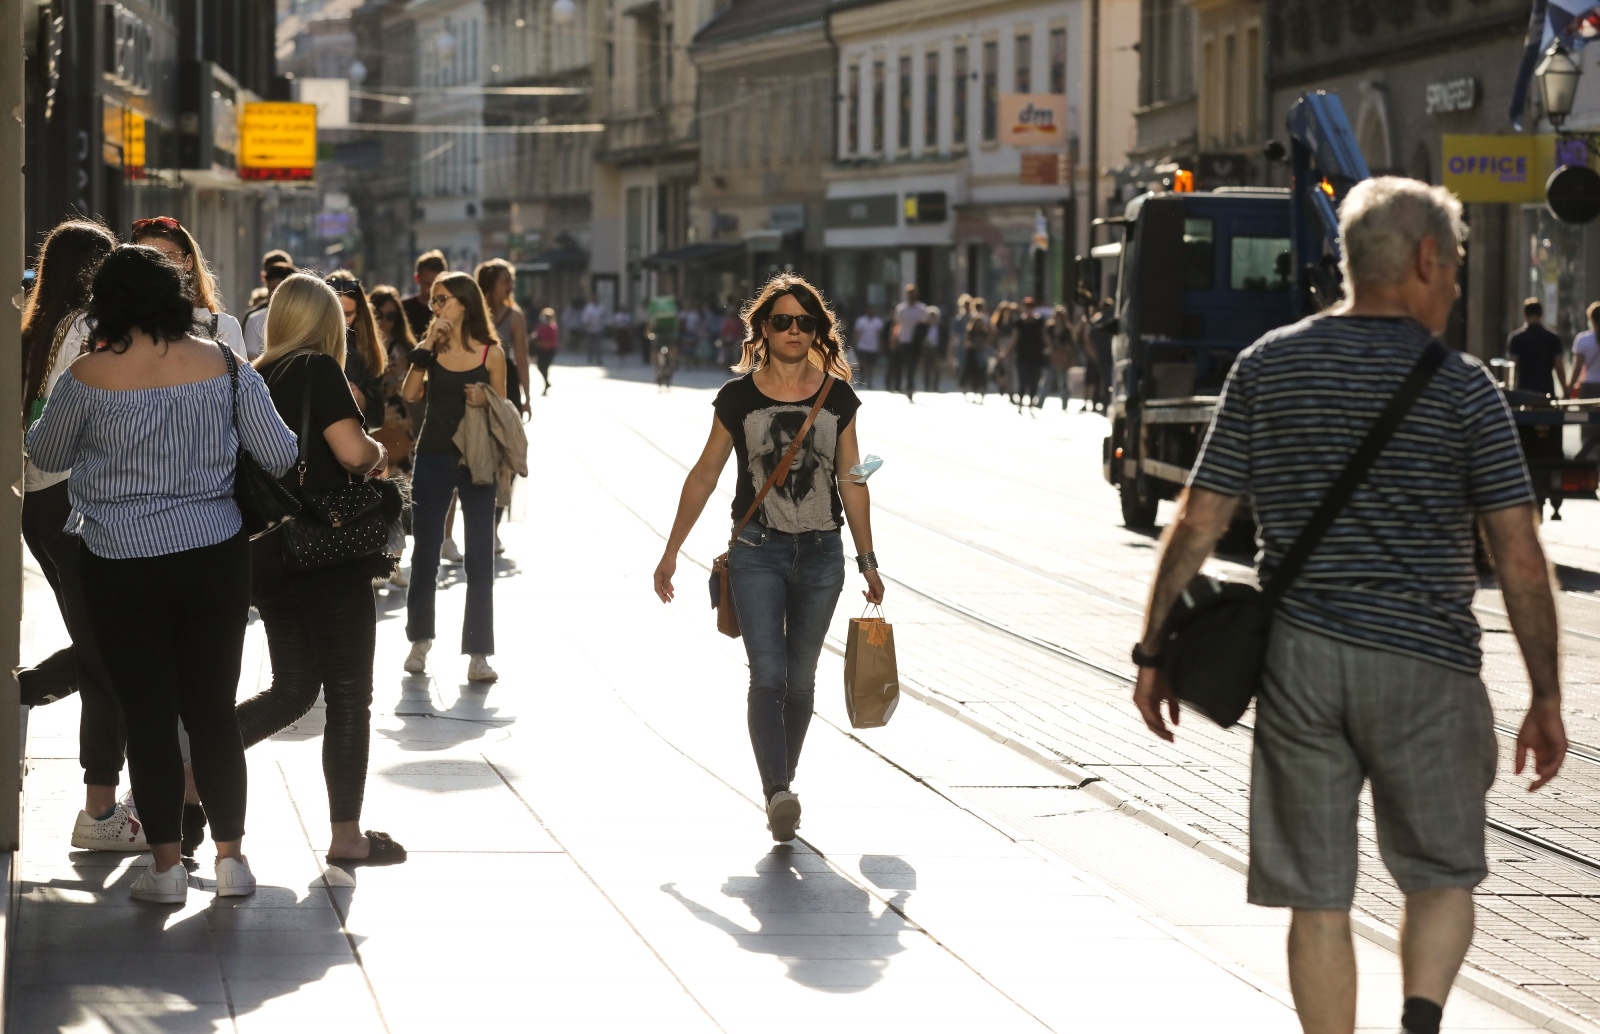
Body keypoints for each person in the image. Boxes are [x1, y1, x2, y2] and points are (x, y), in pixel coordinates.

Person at [1130, 178, 1568, 1034]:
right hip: (1428, 667)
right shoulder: (1465, 389)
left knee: (1317, 897)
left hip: (1301, 665)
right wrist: (1545, 696)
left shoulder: (1268, 364)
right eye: (1455, 267)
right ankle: (1419, 1021)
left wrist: (1153, 649)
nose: (1454, 283)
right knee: (1442, 874)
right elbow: (1518, 553)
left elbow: (1196, 520)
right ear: (1426, 260)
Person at [26, 244, 299, 904]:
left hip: (121, 561)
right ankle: (232, 862)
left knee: (148, 714)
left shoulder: (87, 375)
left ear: (107, 303)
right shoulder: (227, 365)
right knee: (211, 710)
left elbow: (46, 452)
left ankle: (168, 870)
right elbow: (281, 451)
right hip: (215, 556)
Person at [653, 273, 884, 843]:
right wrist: (671, 551)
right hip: (756, 549)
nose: (794, 331)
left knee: (802, 681)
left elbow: (852, 480)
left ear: (817, 330)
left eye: (805, 322)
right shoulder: (737, 397)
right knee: (770, 674)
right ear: (762, 328)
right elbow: (705, 474)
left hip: (824, 553)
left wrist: (868, 558)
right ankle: (777, 792)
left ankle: (783, 784)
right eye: (782, 321)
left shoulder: (837, 396)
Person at [233, 274, 406, 867]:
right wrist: (380, 453)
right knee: (350, 695)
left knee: (293, 690)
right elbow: (353, 452)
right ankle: (347, 836)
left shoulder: (256, 374)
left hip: (275, 556)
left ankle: (190, 776)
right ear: (327, 322)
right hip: (328, 554)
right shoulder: (318, 370)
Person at [18, 220, 135, 851]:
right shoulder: (92, 331)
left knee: (102, 647)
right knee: (108, 653)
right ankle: (98, 811)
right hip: (75, 500)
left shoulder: (40, 328)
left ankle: (27, 693)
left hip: (41, 499)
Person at [399, 272, 507, 683]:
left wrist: (487, 398)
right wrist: (427, 344)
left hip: (477, 460)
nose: (437, 306)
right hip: (432, 456)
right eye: (433, 301)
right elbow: (410, 395)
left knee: (479, 557)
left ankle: (479, 654)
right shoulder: (432, 348)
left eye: (442, 299)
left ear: (464, 302)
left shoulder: (491, 354)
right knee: (425, 552)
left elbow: (505, 412)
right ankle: (419, 642)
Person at [129, 216, 247, 359]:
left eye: (167, 258)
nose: (157, 267)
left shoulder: (223, 327)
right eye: (147, 259)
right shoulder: (113, 328)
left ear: (188, 262)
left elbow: (240, 380)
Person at [367, 283, 420, 479]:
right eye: (379, 315)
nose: (384, 321)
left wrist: (405, 372)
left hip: (399, 420)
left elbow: (418, 392)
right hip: (373, 419)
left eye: (391, 316)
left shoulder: (406, 347)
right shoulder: (364, 345)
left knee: (403, 480)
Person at [326, 272, 388, 430]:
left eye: (347, 314)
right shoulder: (306, 344)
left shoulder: (368, 350)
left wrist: (360, 399)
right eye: (336, 313)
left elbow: (377, 418)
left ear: (359, 313)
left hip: (354, 437)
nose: (341, 321)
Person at [477, 259, 531, 416]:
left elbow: (522, 359)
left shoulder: (514, 316)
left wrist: (527, 398)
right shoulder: (474, 314)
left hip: (506, 379)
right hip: (477, 377)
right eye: (506, 281)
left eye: (512, 282)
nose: (511, 286)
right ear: (492, 283)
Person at [1506, 298, 1567, 398]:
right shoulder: (1553, 338)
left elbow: (1513, 366)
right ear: (1541, 315)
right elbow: (1559, 367)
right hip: (1546, 390)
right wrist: (1565, 389)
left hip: (1523, 391)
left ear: (1524, 315)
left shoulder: (1516, 338)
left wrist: (1510, 390)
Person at [242, 252, 295, 360]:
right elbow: (250, 360)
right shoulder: (254, 319)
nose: (275, 295)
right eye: (272, 290)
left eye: (280, 290)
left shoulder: (302, 318)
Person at [1568, 302, 1600, 459]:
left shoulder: (1583, 340)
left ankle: (1589, 457)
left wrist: (1568, 388)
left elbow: (1577, 368)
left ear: (1591, 319)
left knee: (1588, 425)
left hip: (1587, 389)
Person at [888, 284, 927, 394]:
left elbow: (925, 326)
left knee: (913, 364)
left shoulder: (921, 309)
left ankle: (910, 383)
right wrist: (893, 340)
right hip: (904, 340)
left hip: (917, 341)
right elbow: (897, 325)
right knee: (904, 363)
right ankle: (906, 385)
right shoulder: (901, 309)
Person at [402, 250, 448, 340]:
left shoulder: (450, 309)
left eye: (435, 284)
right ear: (417, 278)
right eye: (427, 284)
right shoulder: (404, 309)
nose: (431, 289)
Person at [1013, 298, 1047, 412]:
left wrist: (1049, 347)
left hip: (1036, 355)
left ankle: (1032, 402)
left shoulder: (1039, 321)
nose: (1028, 310)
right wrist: (1006, 352)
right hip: (1022, 355)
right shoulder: (1019, 322)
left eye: (1030, 308)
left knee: (1034, 380)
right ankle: (1020, 403)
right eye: (1027, 308)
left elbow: (1044, 336)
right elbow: (1014, 339)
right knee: (1022, 380)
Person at [961, 298, 992, 401]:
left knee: (982, 373)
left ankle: (982, 391)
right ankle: (970, 389)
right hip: (972, 354)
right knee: (971, 372)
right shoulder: (971, 331)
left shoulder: (984, 332)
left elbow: (988, 340)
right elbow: (966, 341)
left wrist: (982, 346)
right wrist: (971, 345)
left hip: (982, 354)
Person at [852, 305, 884, 389]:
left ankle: (869, 380)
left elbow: (880, 335)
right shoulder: (861, 321)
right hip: (862, 346)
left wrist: (881, 346)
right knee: (863, 363)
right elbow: (856, 333)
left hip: (873, 347)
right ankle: (862, 376)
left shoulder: (878, 322)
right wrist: (854, 344)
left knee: (871, 366)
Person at [533, 307, 559, 395]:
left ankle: (546, 385)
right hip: (541, 351)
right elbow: (536, 334)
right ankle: (546, 383)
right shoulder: (540, 326)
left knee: (545, 367)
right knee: (540, 367)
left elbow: (553, 341)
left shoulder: (552, 327)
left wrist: (542, 343)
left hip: (549, 351)